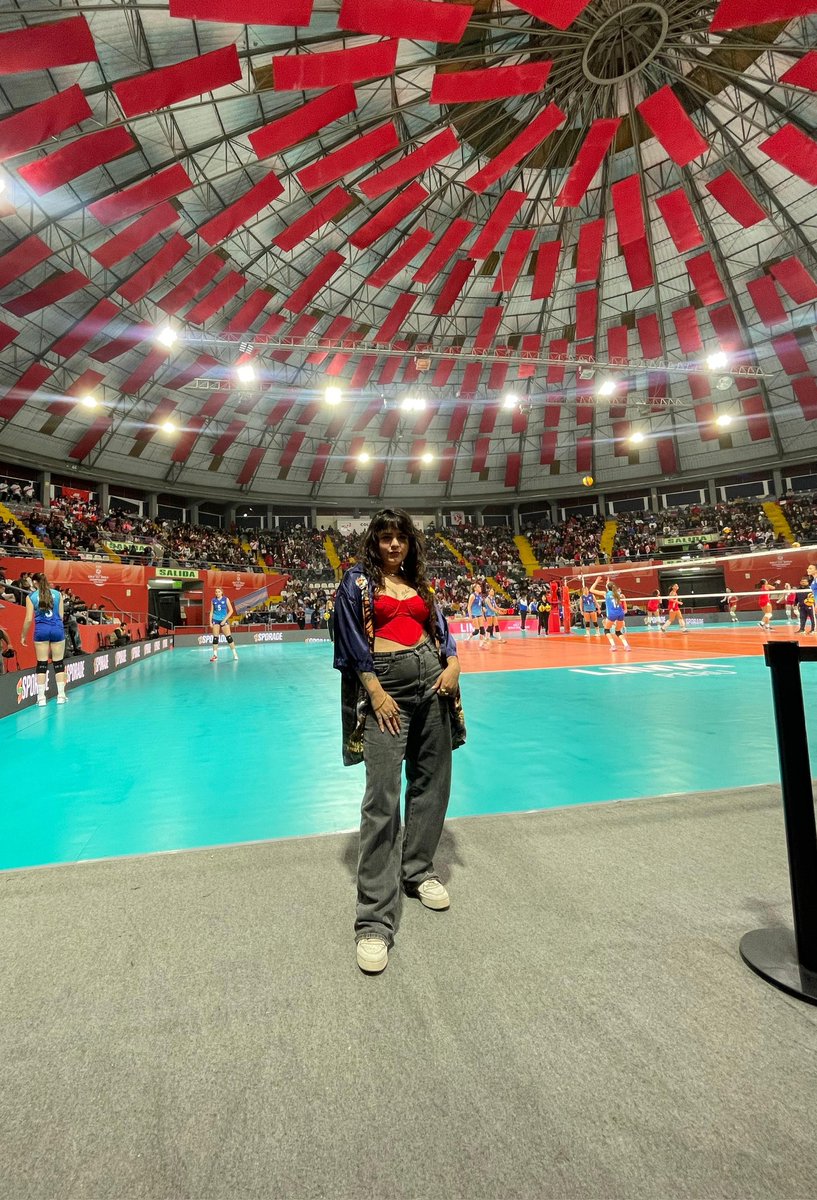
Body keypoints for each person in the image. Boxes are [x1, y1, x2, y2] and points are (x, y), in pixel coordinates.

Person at [333, 509, 464, 975]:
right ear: (375, 542)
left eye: (400, 538)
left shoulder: (421, 585)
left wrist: (453, 664)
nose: (393, 545)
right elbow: (351, 644)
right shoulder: (356, 583)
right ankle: (373, 920)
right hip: (387, 693)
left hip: (434, 687)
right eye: (385, 538)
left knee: (433, 783)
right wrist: (376, 694)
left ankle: (418, 871)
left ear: (410, 543)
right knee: (382, 798)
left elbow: (442, 633)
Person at [20, 571, 68, 706]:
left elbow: (29, 619)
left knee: (41, 664)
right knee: (58, 663)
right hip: (57, 629)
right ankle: (61, 696)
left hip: (41, 631)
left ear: (34, 582)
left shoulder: (31, 597)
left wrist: (23, 635)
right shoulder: (58, 594)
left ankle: (41, 698)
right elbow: (61, 615)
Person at [591, 576, 631, 651]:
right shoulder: (618, 593)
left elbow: (591, 590)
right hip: (620, 613)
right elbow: (610, 587)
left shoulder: (605, 593)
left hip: (612, 614)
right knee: (618, 631)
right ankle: (626, 645)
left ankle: (613, 646)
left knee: (606, 630)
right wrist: (608, 582)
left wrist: (596, 581)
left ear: (607, 588)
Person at [209, 586, 238, 662]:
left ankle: (235, 654)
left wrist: (224, 620)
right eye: (216, 592)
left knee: (229, 637)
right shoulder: (213, 600)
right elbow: (211, 612)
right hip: (216, 619)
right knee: (215, 638)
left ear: (221, 592)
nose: (217, 593)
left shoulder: (226, 599)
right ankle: (215, 655)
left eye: (219, 591)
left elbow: (231, 611)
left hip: (224, 620)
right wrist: (210, 622)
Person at [466, 581, 487, 648]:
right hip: (474, 614)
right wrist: (470, 616)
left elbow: (480, 607)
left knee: (482, 629)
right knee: (477, 630)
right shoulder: (472, 596)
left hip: (479, 614)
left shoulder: (480, 596)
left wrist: (483, 615)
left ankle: (481, 644)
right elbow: (469, 606)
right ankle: (470, 636)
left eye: (480, 586)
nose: (480, 587)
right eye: (478, 587)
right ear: (475, 589)